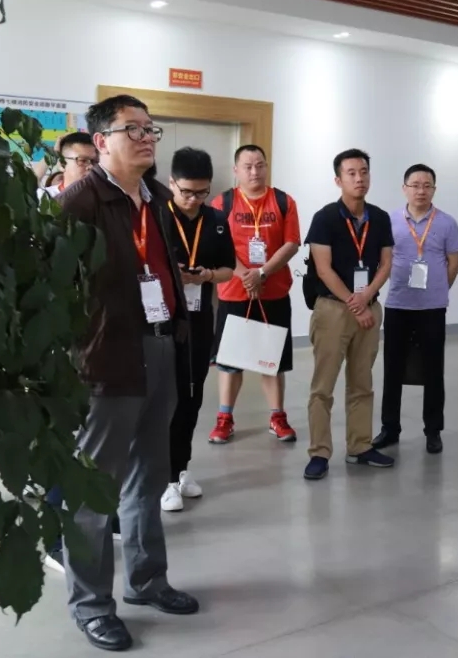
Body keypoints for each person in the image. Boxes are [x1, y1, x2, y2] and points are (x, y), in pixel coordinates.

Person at [58, 94, 197, 651]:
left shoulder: (157, 198)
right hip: (108, 357)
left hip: (160, 346)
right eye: (131, 129)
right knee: (94, 490)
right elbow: (55, 291)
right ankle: (91, 605)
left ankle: (146, 580)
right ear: (101, 142)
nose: (146, 137)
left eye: (150, 128)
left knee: (148, 476)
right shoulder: (79, 203)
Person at [303, 148, 395, 478]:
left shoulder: (380, 218)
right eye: (352, 173)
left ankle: (359, 446)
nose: (359, 178)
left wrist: (366, 297)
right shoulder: (325, 218)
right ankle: (319, 452)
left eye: (364, 172)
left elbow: (386, 263)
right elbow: (323, 269)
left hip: (369, 308)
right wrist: (355, 303)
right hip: (333, 309)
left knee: (362, 382)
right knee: (323, 386)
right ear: (338, 179)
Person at [208, 145, 301, 444]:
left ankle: (277, 417)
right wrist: (245, 275)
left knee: (272, 361)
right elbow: (218, 246)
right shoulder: (223, 202)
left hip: (274, 292)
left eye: (260, 165)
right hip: (234, 293)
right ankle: (225, 418)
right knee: (230, 362)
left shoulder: (283, 201)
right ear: (236, 169)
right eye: (247, 166)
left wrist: (262, 273)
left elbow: (291, 244)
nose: (254, 171)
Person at [161, 148, 236, 512]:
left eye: (201, 192)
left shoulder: (217, 219)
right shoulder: (157, 215)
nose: (193, 199)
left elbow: (228, 269)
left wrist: (205, 275)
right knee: (166, 399)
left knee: (192, 396)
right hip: (162, 320)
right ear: (171, 183)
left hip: (200, 318)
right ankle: (163, 478)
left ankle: (181, 469)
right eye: (186, 192)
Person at [373, 164, 458, 455]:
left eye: (427, 185)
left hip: (433, 308)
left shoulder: (447, 223)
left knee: (433, 369)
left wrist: (438, 289)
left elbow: (454, 263)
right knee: (393, 368)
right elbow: (382, 261)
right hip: (398, 304)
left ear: (434, 189)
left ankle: (433, 430)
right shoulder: (389, 221)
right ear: (404, 188)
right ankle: (390, 428)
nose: (421, 190)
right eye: (415, 185)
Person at [37, 132, 97, 198]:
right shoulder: (44, 197)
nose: (91, 166)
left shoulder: (103, 198)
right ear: (62, 164)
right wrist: (53, 153)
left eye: (95, 161)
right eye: (83, 160)